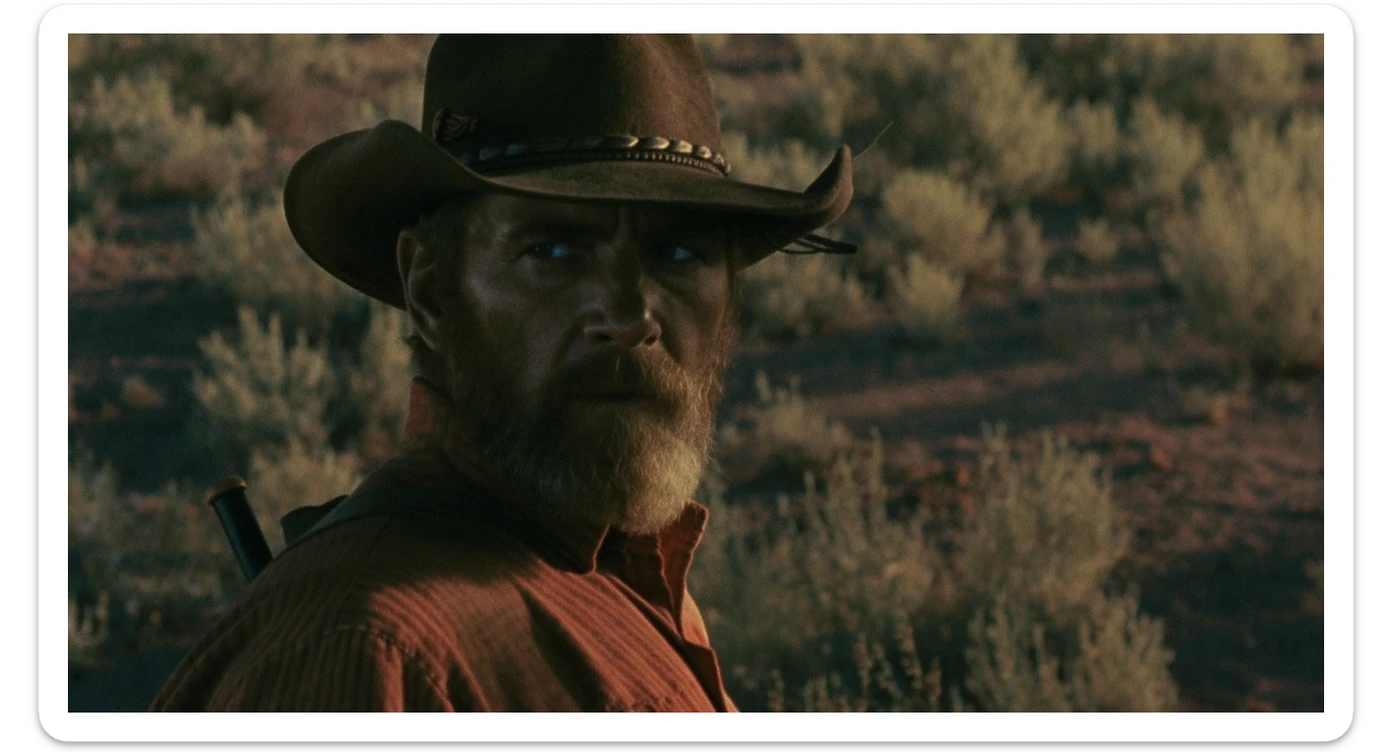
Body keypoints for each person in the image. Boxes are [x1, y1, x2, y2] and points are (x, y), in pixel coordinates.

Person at [150, 33, 855, 712]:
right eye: (553, 250)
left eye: (677, 254)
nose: (629, 314)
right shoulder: (365, 652)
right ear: (429, 289)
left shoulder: (613, 566)